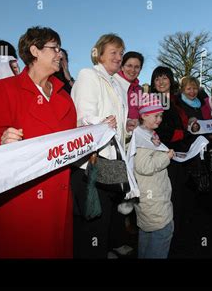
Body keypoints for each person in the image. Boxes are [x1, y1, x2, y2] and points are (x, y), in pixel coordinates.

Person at [0, 26, 77, 258]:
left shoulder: (64, 96)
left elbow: (73, 141)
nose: (60, 54)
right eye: (54, 48)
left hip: (59, 195)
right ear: (34, 50)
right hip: (21, 199)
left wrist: (96, 131)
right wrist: (0, 140)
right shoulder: (4, 89)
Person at [71, 33, 131, 259]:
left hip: (110, 162)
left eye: (121, 53)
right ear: (99, 54)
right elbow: (83, 117)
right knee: (93, 227)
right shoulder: (89, 75)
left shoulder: (117, 83)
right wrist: (101, 123)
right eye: (114, 52)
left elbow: (115, 123)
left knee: (103, 221)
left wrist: (128, 127)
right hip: (92, 163)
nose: (119, 57)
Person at [150, 66, 193, 254]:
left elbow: (185, 121)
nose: (160, 82)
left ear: (170, 80)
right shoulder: (152, 100)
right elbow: (156, 130)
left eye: (164, 78)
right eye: (157, 79)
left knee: (179, 196)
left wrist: (191, 123)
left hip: (180, 155)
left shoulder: (176, 100)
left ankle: (177, 236)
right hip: (163, 156)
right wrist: (181, 134)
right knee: (167, 197)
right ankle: (166, 238)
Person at [133, 99, 175, 258]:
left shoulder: (146, 134)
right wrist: (166, 157)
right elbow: (143, 166)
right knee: (163, 230)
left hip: (150, 194)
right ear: (143, 116)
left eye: (161, 115)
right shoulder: (141, 138)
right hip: (153, 196)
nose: (160, 119)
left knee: (146, 232)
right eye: (156, 115)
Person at [115, 51, 144, 132]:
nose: (133, 70)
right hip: (117, 132)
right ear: (122, 67)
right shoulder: (113, 84)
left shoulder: (139, 89)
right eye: (129, 66)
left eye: (137, 67)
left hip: (134, 132)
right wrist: (126, 121)